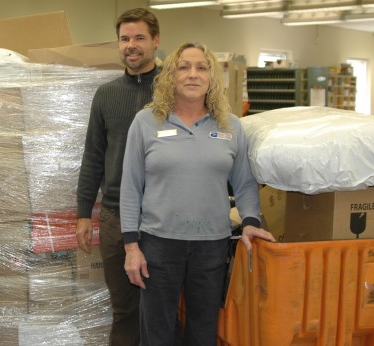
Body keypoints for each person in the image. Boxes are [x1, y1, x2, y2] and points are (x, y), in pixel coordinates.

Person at [119, 42, 276, 345]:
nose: (193, 74)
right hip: (159, 245)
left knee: (203, 332)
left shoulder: (230, 126)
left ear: (212, 77)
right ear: (170, 76)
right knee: (157, 333)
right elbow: (131, 186)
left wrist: (250, 222)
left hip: (211, 246)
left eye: (202, 67)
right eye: (184, 67)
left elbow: (244, 183)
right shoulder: (146, 122)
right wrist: (131, 247)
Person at [76, 7, 161, 346]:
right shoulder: (106, 95)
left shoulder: (174, 93)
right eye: (125, 39)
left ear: (156, 41)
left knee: (162, 305)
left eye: (139, 37)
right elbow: (93, 155)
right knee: (125, 309)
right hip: (114, 216)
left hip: (162, 214)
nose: (131, 45)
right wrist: (84, 213)